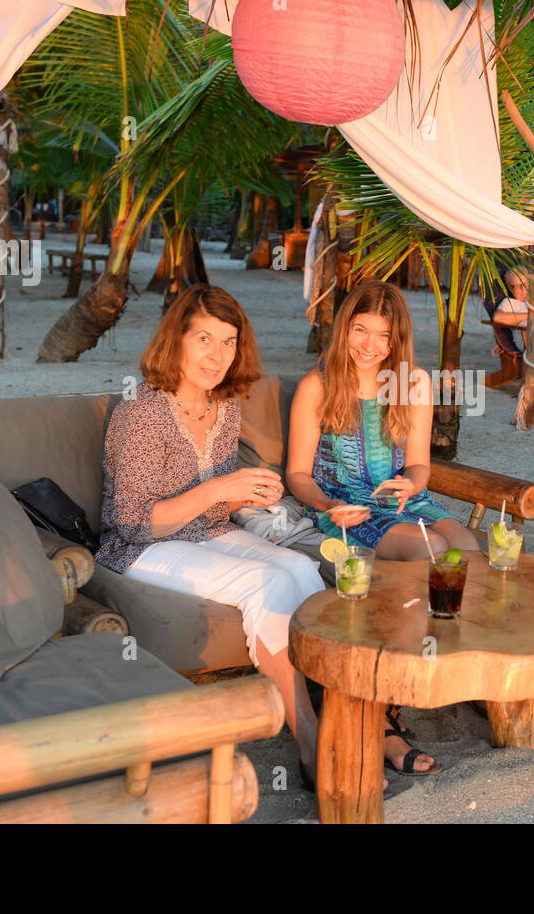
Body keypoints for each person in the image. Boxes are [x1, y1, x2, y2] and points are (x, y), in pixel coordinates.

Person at [96, 284, 324, 784]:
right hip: (140, 549)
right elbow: (132, 521)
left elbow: (213, 505)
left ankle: (331, 701)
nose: (216, 355)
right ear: (176, 339)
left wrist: (247, 495)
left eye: (227, 342)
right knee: (265, 583)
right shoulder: (141, 413)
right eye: (204, 339)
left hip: (206, 532)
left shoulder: (223, 407)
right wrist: (222, 486)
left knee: (301, 567)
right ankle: (308, 736)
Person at [287, 281, 479, 776]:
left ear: (397, 342)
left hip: (403, 497)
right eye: (360, 330)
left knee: (466, 547)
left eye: (383, 336)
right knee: (428, 548)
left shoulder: (412, 383)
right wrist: (327, 502)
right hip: (347, 505)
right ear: (344, 329)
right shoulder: (319, 385)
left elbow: (420, 467)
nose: (370, 345)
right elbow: (297, 474)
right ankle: (386, 706)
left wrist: (407, 486)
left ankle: (456, 663)